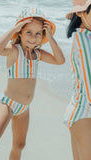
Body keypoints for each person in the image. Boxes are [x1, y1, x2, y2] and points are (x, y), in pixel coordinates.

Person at [0, 8, 65, 160]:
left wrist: (51, 38)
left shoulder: (38, 54)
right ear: (20, 32)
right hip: (8, 104)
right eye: (28, 32)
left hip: (24, 108)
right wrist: (14, 28)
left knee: (19, 145)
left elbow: (60, 60)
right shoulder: (15, 50)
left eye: (38, 33)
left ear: (43, 36)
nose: (33, 37)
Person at [63, 0, 91, 159]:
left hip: (80, 113)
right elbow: (90, 87)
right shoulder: (84, 40)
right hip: (84, 114)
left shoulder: (85, 38)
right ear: (81, 13)